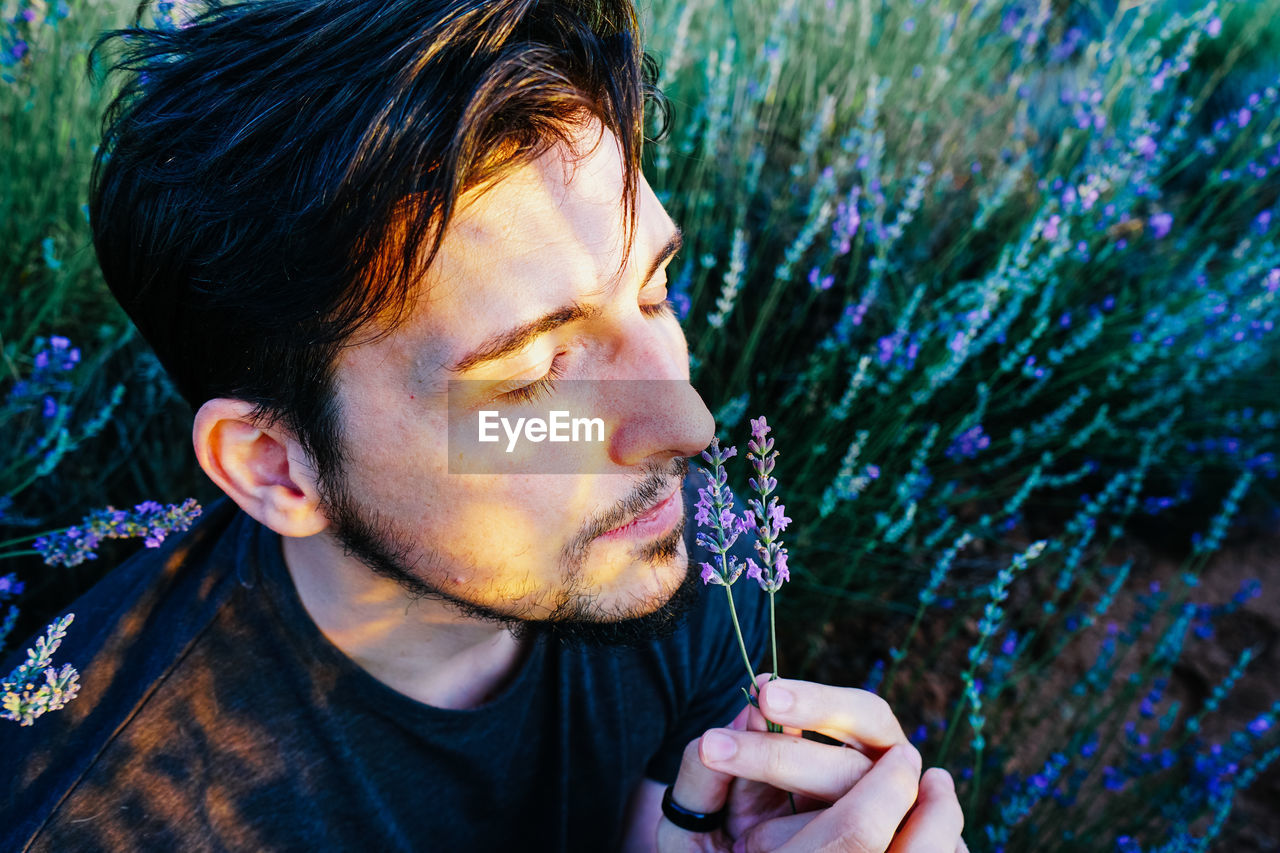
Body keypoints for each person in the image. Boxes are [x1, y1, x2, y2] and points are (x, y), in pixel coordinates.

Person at [1, 1, 966, 850]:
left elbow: (660, 815)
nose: (684, 424)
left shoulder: (689, 549)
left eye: (656, 293)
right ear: (276, 467)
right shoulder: (111, 815)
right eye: (536, 376)